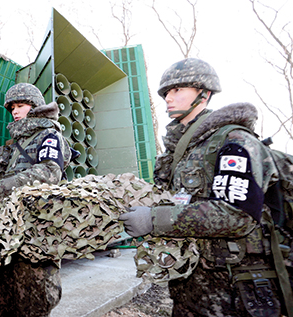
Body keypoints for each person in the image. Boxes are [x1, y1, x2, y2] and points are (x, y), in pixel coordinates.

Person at [119, 58, 289, 316]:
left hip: (237, 288)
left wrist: (154, 219)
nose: (168, 98)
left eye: (177, 90)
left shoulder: (234, 141)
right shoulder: (182, 151)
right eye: (166, 92)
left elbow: (236, 214)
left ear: (204, 94)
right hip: (191, 286)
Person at [0, 82, 72, 317]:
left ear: (34, 107)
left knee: (34, 304)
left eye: (21, 105)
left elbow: (49, 173)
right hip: (8, 238)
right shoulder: (12, 147)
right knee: (8, 305)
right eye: (12, 107)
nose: (15, 111)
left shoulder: (49, 135)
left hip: (36, 236)